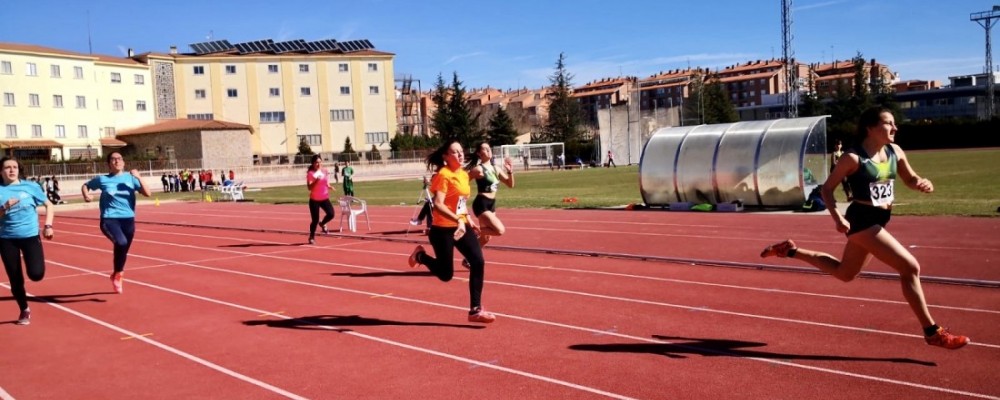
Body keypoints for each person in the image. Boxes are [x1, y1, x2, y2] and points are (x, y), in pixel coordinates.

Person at [760, 106, 969, 350]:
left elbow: (910, 179)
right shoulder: (853, 157)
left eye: (894, 123)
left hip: (879, 220)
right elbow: (826, 189)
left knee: (845, 273)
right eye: (888, 123)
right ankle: (933, 332)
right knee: (910, 266)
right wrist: (837, 217)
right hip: (861, 221)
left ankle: (791, 251)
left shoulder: (895, 151)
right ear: (870, 128)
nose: (895, 127)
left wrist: (922, 183)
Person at [407, 140, 495, 323]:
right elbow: (438, 204)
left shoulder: (463, 174)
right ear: (446, 157)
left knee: (478, 261)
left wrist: (468, 219)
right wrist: (458, 220)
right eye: (455, 152)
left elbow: (460, 202)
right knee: (446, 275)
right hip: (442, 230)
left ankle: (475, 309)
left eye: (461, 151)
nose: (460, 155)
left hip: (461, 225)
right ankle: (421, 256)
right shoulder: (443, 175)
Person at [81, 152, 152, 294]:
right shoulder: (103, 180)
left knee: (123, 249)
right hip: (109, 219)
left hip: (128, 219)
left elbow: (148, 193)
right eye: (113, 159)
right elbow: (86, 185)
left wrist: (139, 177)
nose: (116, 161)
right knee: (121, 243)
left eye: (119, 158)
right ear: (109, 164)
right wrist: (86, 195)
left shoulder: (131, 179)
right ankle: (119, 274)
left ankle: (117, 274)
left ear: (123, 162)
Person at [0, 157, 55, 325]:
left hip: (30, 236)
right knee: (15, 278)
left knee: (36, 274)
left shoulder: (31, 187)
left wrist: (48, 225)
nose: (12, 170)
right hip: (6, 239)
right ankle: (24, 309)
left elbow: (49, 205)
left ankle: (30, 258)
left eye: (15, 167)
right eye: (7, 167)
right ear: (1, 171)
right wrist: (4, 208)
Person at [462, 142, 514, 268]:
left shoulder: (496, 168)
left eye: (488, 148)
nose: (488, 150)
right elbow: (463, 182)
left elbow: (510, 184)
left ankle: (468, 259)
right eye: (484, 149)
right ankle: (469, 232)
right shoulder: (478, 170)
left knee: (486, 238)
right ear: (479, 154)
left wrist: (510, 172)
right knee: (499, 230)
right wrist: (463, 196)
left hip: (491, 204)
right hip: (481, 204)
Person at [306, 154, 335, 245]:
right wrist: (316, 181)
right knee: (315, 220)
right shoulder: (310, 173)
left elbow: (326, 181)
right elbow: (309, 187)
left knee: (331, 214)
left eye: (319, 162)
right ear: (313, 164)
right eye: (316, 163)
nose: (318, 164)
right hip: (314, 199)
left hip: (324, 197)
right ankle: (311, 237)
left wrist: (329, 186)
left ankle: (322, 223)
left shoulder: (325, 171)